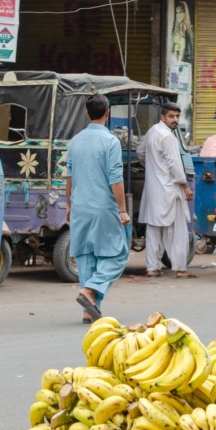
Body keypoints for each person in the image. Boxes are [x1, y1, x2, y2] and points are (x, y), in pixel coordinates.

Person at [64, 94, 131, 322]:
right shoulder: (111, 142)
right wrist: (122, 209)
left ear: (86, 113)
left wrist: (69, 205)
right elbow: (116, 178)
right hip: (103, 207)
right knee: (118, 254)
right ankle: (90, 289)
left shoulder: (75, 141)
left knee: (86, 257)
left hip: (80, 206)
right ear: (107, 112)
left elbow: (69, 177)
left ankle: (89, 309)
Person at [137, 103, 194, 278]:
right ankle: (181, 269)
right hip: (170, 190)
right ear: (163, 117)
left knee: (154, 229)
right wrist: (185, 186)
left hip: (154, 190)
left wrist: (154, 167)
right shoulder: (168, 137)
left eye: (177, 116)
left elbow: (140, 152)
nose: (175, 120)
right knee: (178, 231)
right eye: (171, 116)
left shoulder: (152, 131)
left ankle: (152, 268)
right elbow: (175, 165)